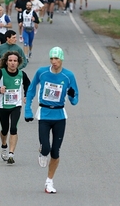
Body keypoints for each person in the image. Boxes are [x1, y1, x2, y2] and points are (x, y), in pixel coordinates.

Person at [24, 47, 79, 194]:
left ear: (62, 60)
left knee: (55, 152)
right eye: (52, 59)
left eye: (57, 59)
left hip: (60, 116)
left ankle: (49, 181)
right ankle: (42, 151)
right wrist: (28, 109)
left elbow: (75, 100)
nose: (54, 62)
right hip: (44, 114)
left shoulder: (68, 76)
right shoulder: (42, 72)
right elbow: (31, 89)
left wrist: (72, 95)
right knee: (46, 148)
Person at [0, 51, 31, 164]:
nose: (12, 63)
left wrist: (26, 95)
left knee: (13, 128)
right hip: (2, 106)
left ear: (18, 63)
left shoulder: (22, 74)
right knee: (4, 129)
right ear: (6, 62)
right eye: (10, 61)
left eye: (15, 61)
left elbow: (28, 85)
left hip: (16, 105)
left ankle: (11, 154)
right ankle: (4, 145)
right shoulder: (0, 73)